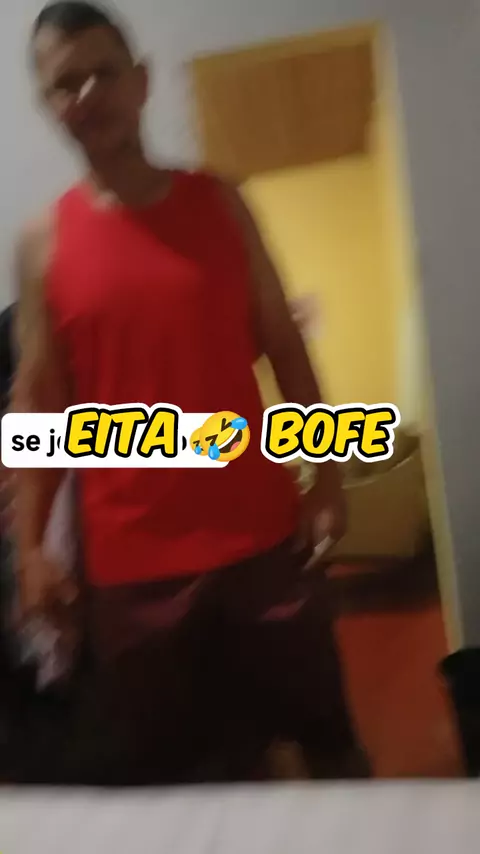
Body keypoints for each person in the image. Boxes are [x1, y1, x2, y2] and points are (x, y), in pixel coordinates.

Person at [12, 0, 369, 783]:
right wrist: (31, 548)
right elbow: (39, 407)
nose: (88, 94)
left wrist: (328, 476)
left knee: (331, 748)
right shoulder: (40, 245)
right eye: (65, 84)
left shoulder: (220, 201)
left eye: (105, 73)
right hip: (132, 578)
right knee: (184, 782)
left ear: (140, 83)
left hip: (263, 542)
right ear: (49, 106)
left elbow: (284, 346)